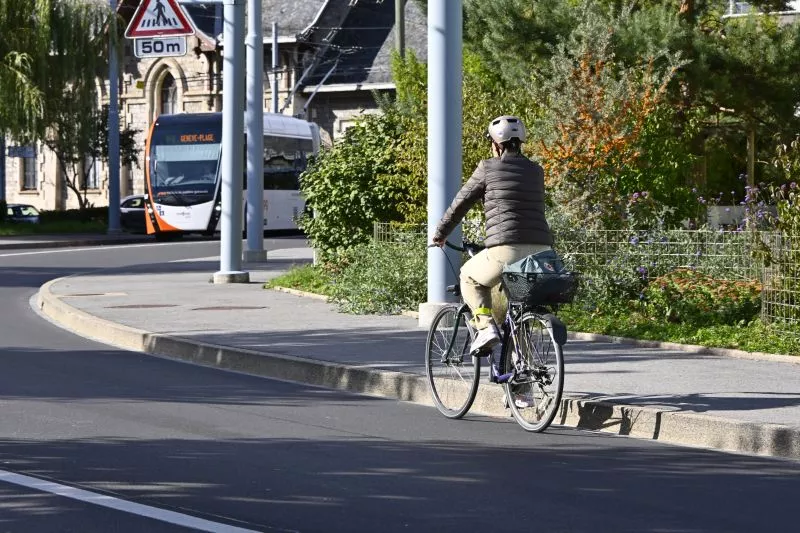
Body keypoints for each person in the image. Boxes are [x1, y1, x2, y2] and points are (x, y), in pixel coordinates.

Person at [432, 115, 554, 355]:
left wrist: (440, 234)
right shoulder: (536, 171)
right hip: (541, 250)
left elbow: (460, 204)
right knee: (519, 317)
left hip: (506, 249)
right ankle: (521, 391)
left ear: (496, 144)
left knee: (469, 276)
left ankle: (485, 327)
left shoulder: (488, 167)